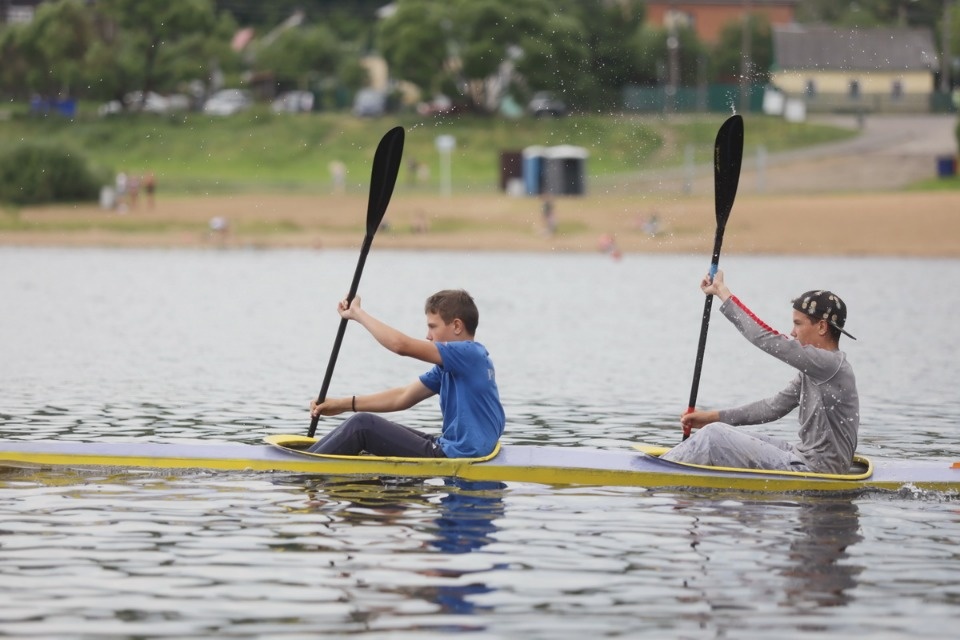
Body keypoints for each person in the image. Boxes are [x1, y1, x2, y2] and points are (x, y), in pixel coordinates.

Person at [662, 271, 859, 474]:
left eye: (798, 324)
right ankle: (674, 462)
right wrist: (711, 417)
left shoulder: (829, 364)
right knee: (718, 430)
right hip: (803, 456)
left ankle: (662, 470)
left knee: (714, 436)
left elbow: (765, 339)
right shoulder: (815, 370)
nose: (792, 332)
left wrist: (723, 293)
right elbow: (771, 408)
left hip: (818, 469)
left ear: (822, 327)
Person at [308, 289, 505, 458]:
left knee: (362, 425)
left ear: (456, 326)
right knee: (365, 425)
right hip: (460, 447)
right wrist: (342, 404)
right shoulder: (457, 365)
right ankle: (311, 456)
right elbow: (402, 396)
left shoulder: (468, 353)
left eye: (432, 327)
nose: (428, 336)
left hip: (461, 454)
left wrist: (358, 314)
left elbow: (401, 345)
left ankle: (300, 469)